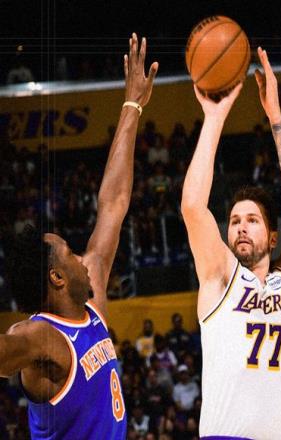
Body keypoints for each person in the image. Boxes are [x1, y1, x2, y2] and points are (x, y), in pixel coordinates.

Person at [0, 34, 158, 439]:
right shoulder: (41, 336)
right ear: (56, 277)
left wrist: (132, 106)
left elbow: (114, 204)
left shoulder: (93, 308)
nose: (82, 258)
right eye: (70, 253)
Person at [181, 47, 281, 439]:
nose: (240, 227)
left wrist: (275, 117)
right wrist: (214, 118)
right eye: (235, 221)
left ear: (272, 238)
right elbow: (192, 207)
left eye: (252, 220)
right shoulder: (220, 278)